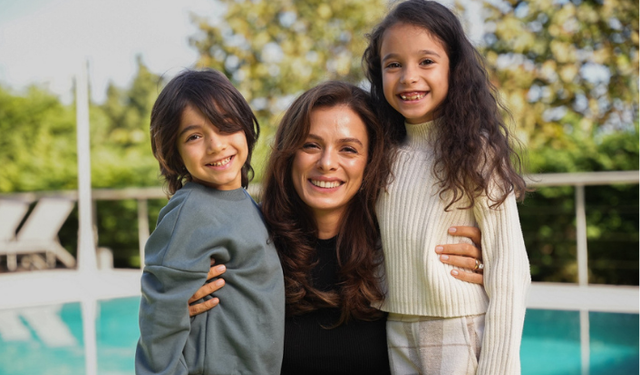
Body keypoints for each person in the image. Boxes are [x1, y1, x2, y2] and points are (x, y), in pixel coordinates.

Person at [362, 1, 531, 374]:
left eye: (426, 61)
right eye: (394, 64)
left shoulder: (477, 151)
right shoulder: (380, 153)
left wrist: (498, 367)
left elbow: (509, 265)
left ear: (454, 68)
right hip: (395, 328)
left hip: (460, 330)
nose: (409, 77)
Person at [135, 69, 285, 375]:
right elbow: (159, 320)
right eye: (194, 136)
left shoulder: (248, 205)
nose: (216, 145)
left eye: (225, 126)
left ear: (245, 127)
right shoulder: (191, 210)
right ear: (175, 152)